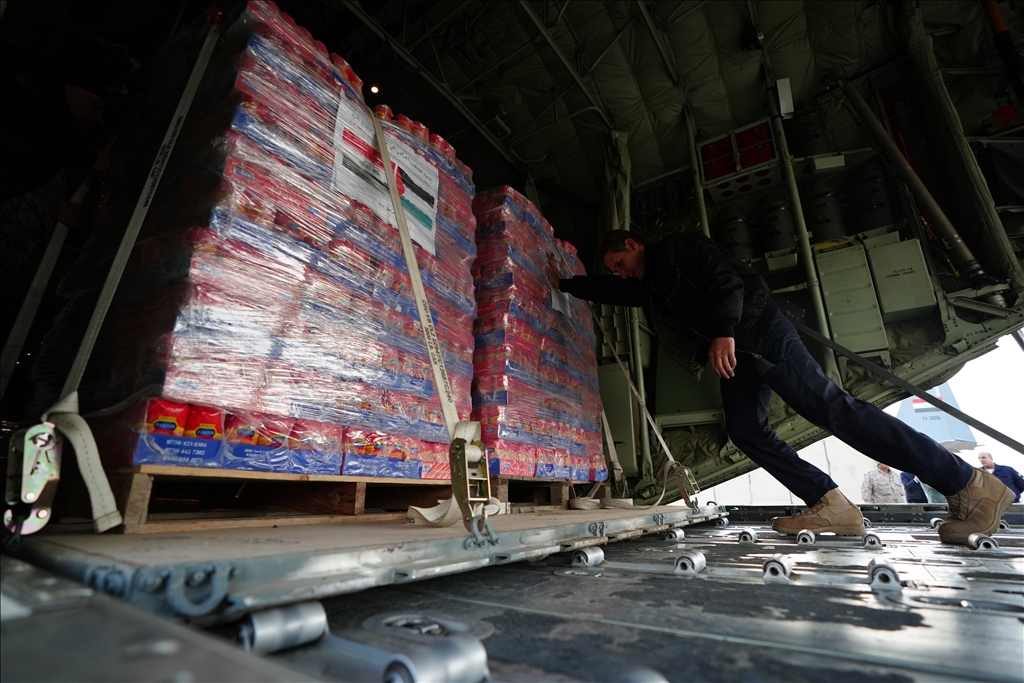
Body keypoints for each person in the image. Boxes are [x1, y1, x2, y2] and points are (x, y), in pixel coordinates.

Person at [549, 230, 1015, 544]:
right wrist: (567, 284)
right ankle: (830, 504)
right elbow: (619, 292)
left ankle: (968, 483)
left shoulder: (676, 248)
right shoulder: (652, 284)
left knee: (832, 409)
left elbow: (726, 283)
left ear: (633, 244)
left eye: (620, 262)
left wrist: (723, 332)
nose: (621, 271)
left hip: (761, 334)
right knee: (746, 430)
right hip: (740, 356)